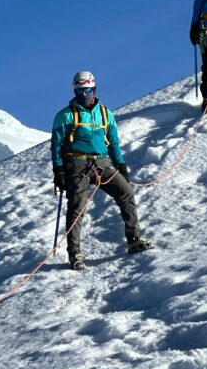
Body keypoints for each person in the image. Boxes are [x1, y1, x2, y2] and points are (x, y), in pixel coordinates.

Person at [51, 71, 152, 270]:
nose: (84, 94)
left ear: (94, 89)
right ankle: (75, 254)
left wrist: (120, 164)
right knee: (77, 207)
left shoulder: (105, 113)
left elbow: (113, 142)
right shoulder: (65, 115)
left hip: (103, 163)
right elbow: (56, 145)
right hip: (77, 164)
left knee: (126, 193)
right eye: (80, 91)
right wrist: (59, 170)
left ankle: (134, 239)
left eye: (87, 90)